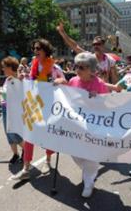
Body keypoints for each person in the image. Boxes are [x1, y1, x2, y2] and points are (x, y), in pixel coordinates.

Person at [54, 52, 109, 198]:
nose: (77, 69)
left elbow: (108, 106)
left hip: (93, 127)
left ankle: (89, 182)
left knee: (91, 155)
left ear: (91, 69)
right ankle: (89, 173)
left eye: (82, 67)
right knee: (76, 153)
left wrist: (97, 99)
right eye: (76, 66)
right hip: (76, 125)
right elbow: (67, 98)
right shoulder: (72, 80)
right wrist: (62, 84)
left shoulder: (100, 84)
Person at [12, 39, 65, 181]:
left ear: (45, 50)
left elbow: (64, 81)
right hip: (34, 104)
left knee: (48, 136)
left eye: (38, 48)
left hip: (49, 106)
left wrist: (57, 81)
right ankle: (26, 168)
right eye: (34, 48)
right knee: (29, 135)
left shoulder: (54, 67)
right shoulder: (33, 65)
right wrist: (23, 78)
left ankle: (47, 161)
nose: (35, 51)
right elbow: (31, 83)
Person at [0, 57, 24, 164]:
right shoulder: (8, 79)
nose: (2, 69)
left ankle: (26, 149)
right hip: (5, 107)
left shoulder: (18, 79)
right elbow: (4, 91)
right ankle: (15, 154)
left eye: (4, 67)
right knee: (8, 132)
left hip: (14, 109)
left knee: (14, 133)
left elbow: (7, 93)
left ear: (10, 68)